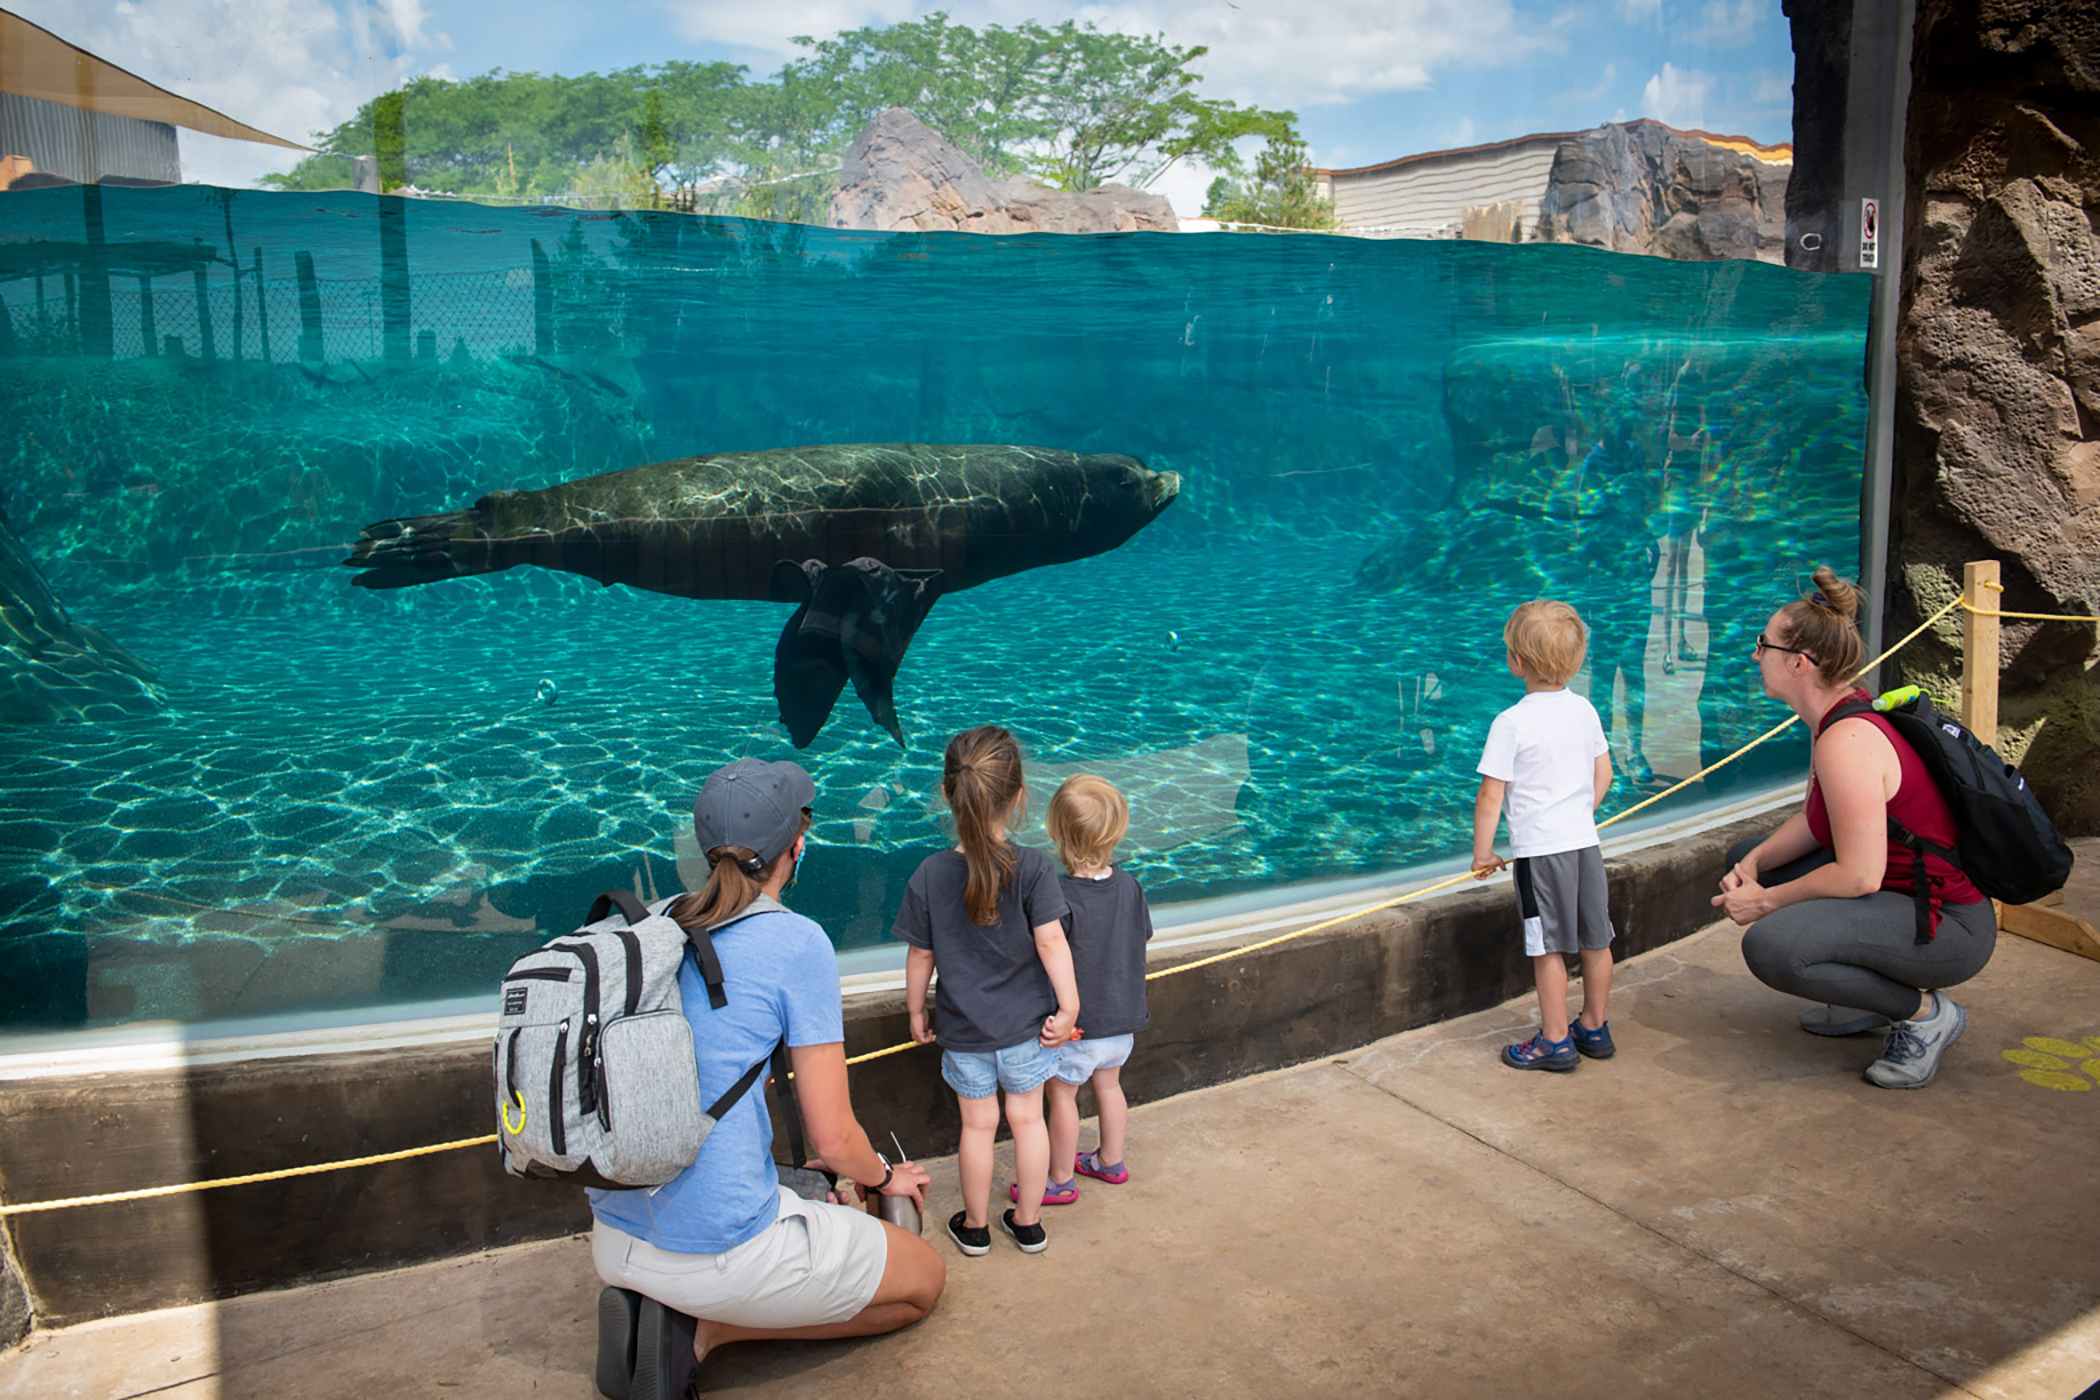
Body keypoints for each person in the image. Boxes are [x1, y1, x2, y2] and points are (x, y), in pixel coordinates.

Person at [590, 759, 945, 1399]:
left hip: (614, 1238)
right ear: (797, 849)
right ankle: (704, 1330)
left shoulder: (642, 924)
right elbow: (834, 1139)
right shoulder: (797, 942)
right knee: (923, 1283)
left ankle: (666, 1310)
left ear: (702, 849)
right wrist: (885, 1178)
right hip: (721, 1253)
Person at [1711, 568, 1994, 1089]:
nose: (1755, 656)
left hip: (1949, 924)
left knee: (1772, 946)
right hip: (1904, 895)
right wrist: (1752, 865)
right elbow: (1818, 825)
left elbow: (1861, 875)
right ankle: (1863, 998)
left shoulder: (1847, 740)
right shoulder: (1839, 715)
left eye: (1763, 645)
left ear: (1797, 663)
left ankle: (1924, 1015)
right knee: (1748, 854)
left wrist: (1765, 903)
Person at [897, 725, 1080, 1255]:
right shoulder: (1036, 867)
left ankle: (974, 1227)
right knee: (1028, 1120)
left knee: (977, 1127)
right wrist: (1069, 1006)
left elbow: (921, 956)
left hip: (964, 1032)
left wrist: (915, 1012)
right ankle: (1027, 1224)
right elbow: (1051, 943)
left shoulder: (930, 874)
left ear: (948, 795)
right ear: (1019, 797)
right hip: (1027, 1029)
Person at [1472, 600, 1617, 1072]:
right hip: (1584, 845)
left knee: (1547, 945)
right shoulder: (1585, 710)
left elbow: (1491, 796)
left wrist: (1482, 853)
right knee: (1597, 939)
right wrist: (1578, 812)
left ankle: (1554, 1040)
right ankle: (1593, 1026)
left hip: (1542, 854)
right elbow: (1605, 774)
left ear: (1516, 662)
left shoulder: (1511, 722)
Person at [1014, 774, 1153, 1205]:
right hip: (1122, 1020)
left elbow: (1046, 953)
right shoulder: (1131, 886)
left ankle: (1058, 1177)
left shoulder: (1057, 894)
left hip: (1078, 1027)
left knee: (1063, 1096)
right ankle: (1110, 1160)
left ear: (1053, 831)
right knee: (1110, 1087)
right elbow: (1139, 937)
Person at [1575, 415, 1660, 785]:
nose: (1627, 433)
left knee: (1635, 670)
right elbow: (1585, 528)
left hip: (1634, 581)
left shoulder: (1635, 453)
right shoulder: (1592, 465)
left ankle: (1635, 750)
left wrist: (1647, 537)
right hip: (1609, 582)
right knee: (1605, 673)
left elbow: (1643, 505)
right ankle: (1603, 757)